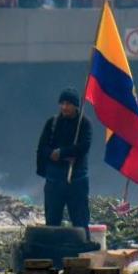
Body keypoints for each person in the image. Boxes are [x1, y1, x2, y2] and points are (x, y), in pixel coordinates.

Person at [37, 88, 92, 236]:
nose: (64, 107)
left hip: (77, 179)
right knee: (52, 221)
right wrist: (55, 155)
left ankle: (81, 252)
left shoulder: (83, 124)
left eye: (68, 104)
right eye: (62, 103)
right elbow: (42, 147)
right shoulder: (52, 123)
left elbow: (83, 147)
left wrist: (62, 152)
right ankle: (53, 254)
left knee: (80, 221)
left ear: (76, 106)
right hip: (55, 180)